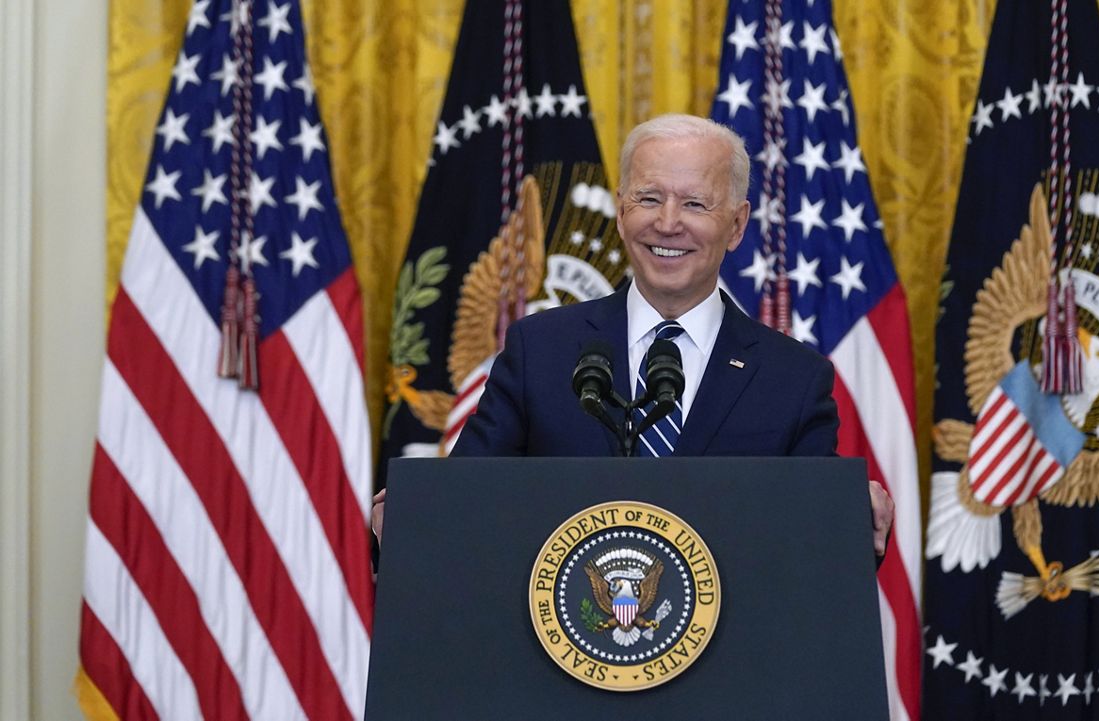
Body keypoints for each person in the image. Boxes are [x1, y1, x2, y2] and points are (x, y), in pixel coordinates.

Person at [373, 114, 893, 556]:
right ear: (621, 211)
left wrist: (855, 522)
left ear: (736, 226)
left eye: (695, 204)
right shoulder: (540, 349)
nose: (668, 224)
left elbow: (816, 544)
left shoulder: (793, 378)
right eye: (649, 198)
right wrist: (413, 515)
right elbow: (467, 502)